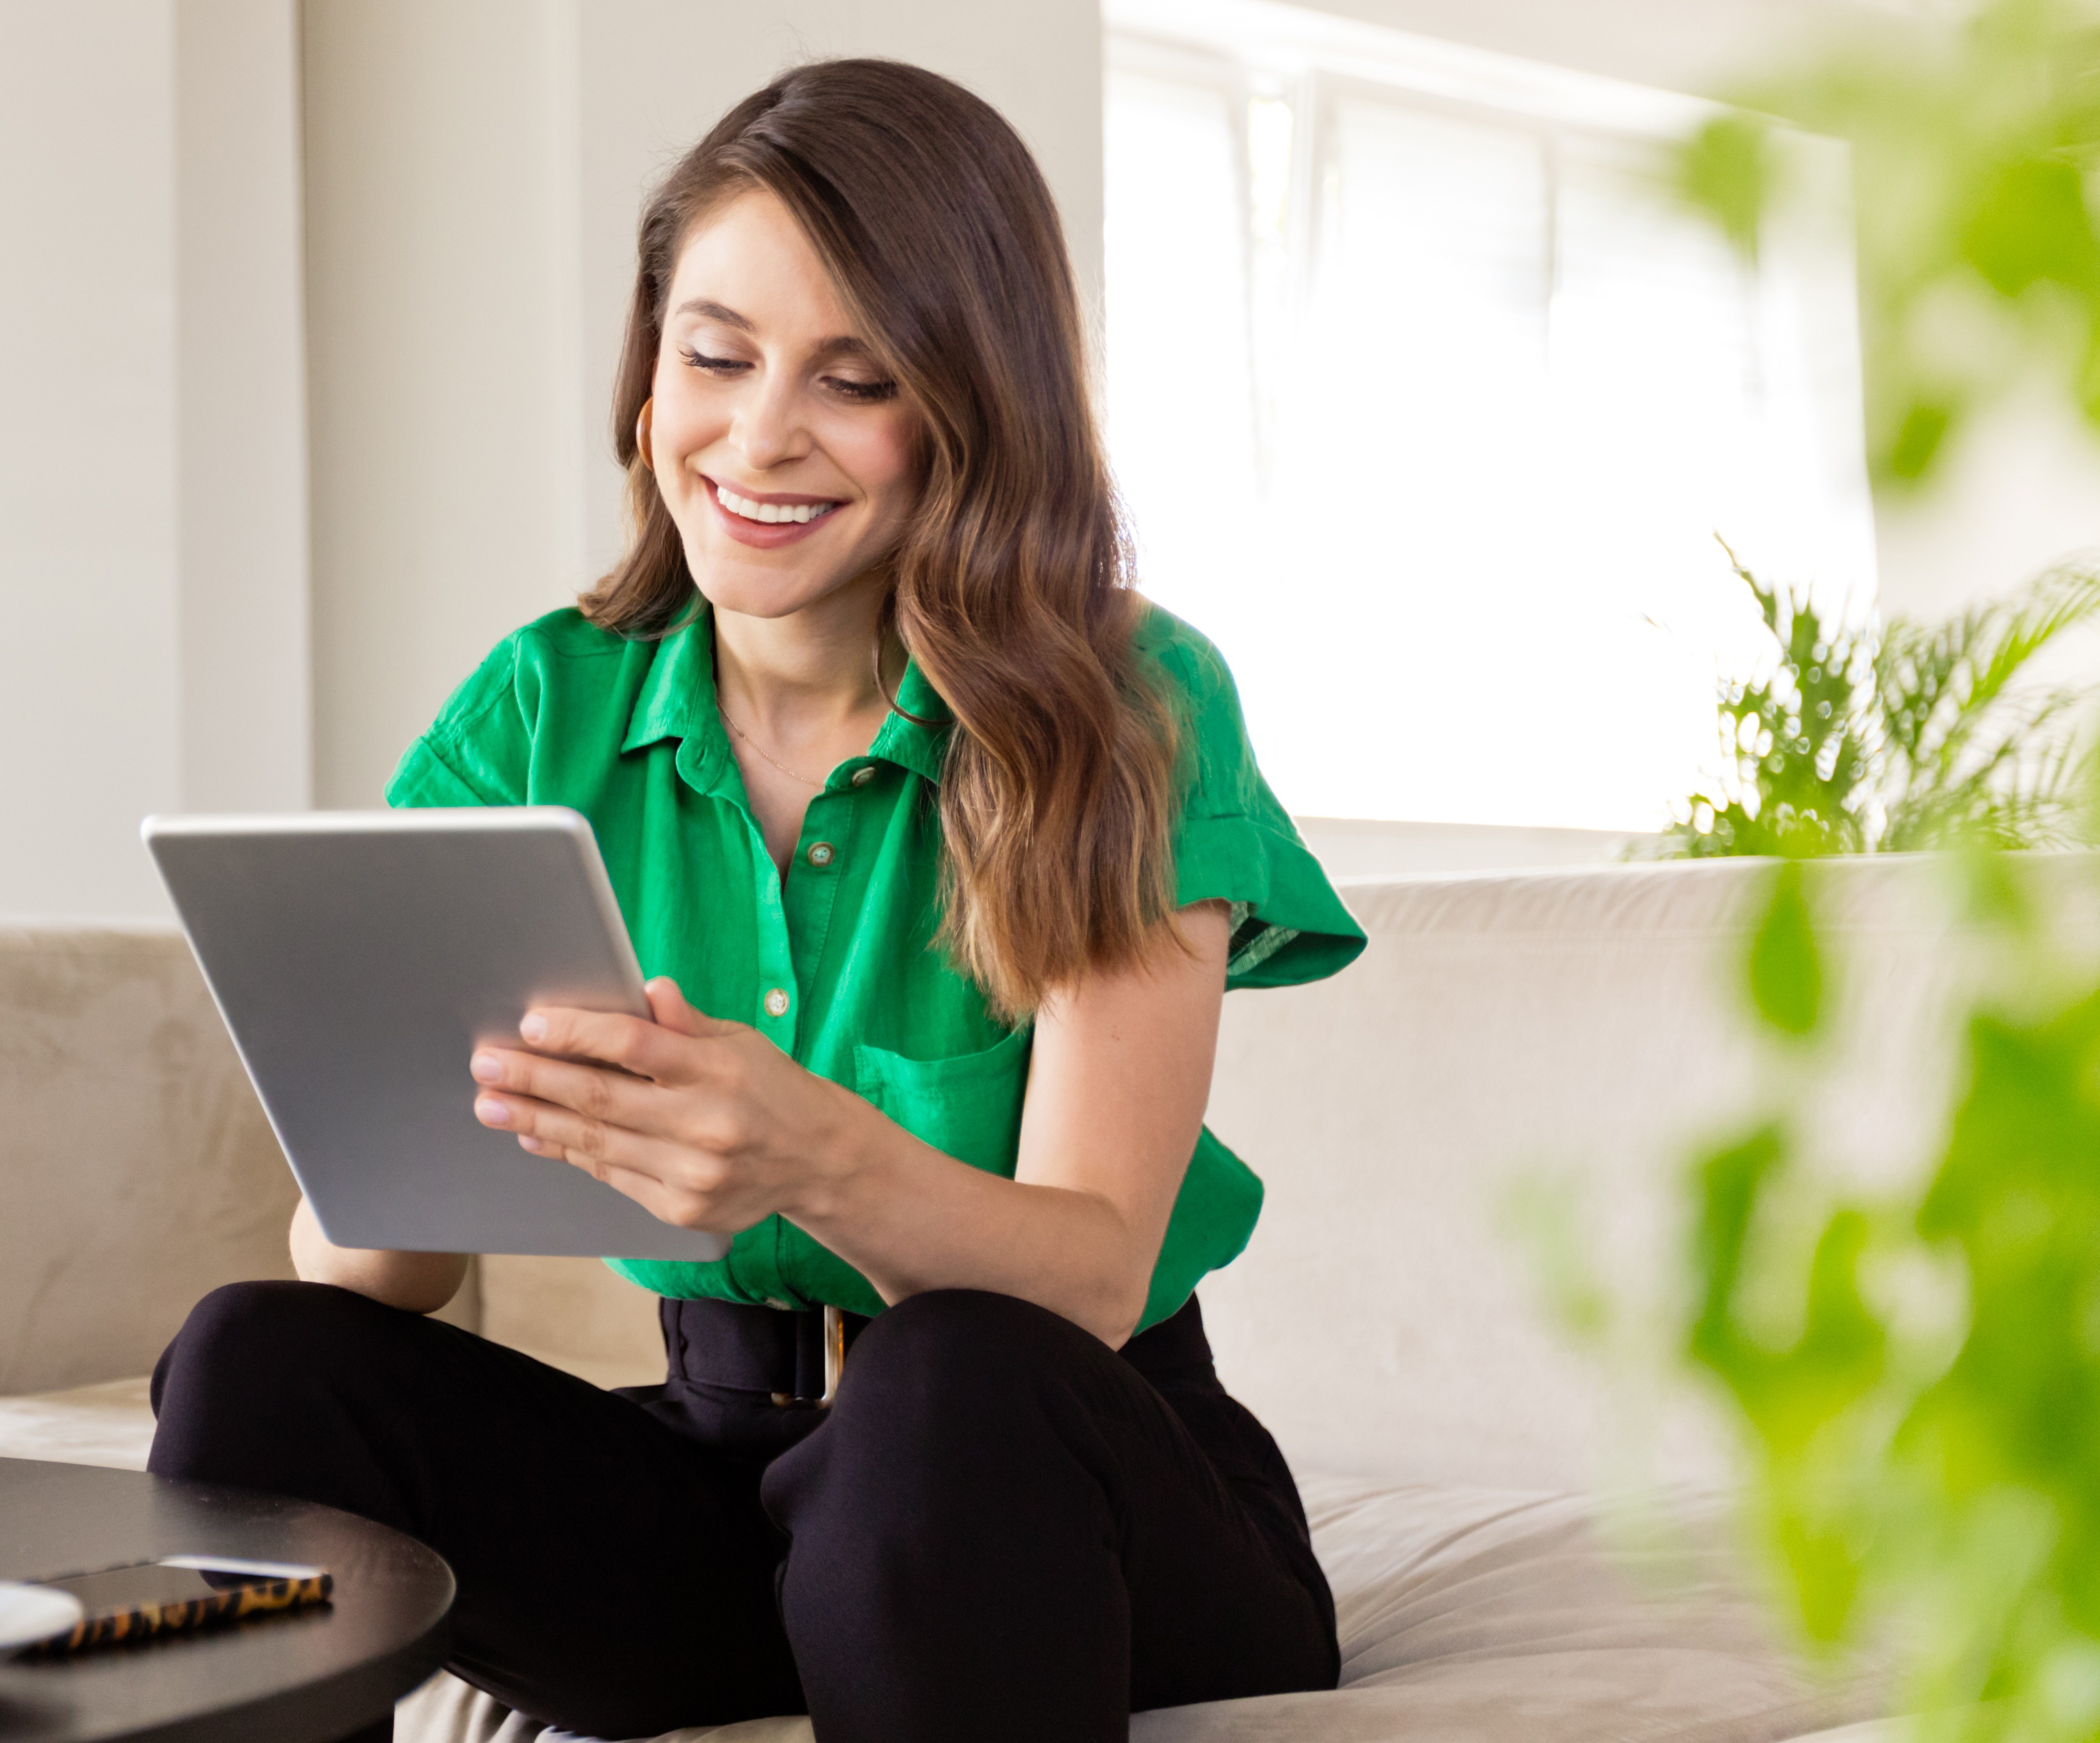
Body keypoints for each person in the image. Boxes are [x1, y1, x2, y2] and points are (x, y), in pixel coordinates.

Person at [145, 58, 1366, 1743]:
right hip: (728, 1500)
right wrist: (406, 1135)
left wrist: (808, 1154)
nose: (761, 433)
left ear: (968, 413)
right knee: (249, 1361)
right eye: (716, 355)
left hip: (1064, 1494)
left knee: (949, 1382)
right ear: (649, 371)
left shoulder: (1129, 706)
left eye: (852, 381)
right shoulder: (542, 709)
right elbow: (369, 1278)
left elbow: (1089, 1279)